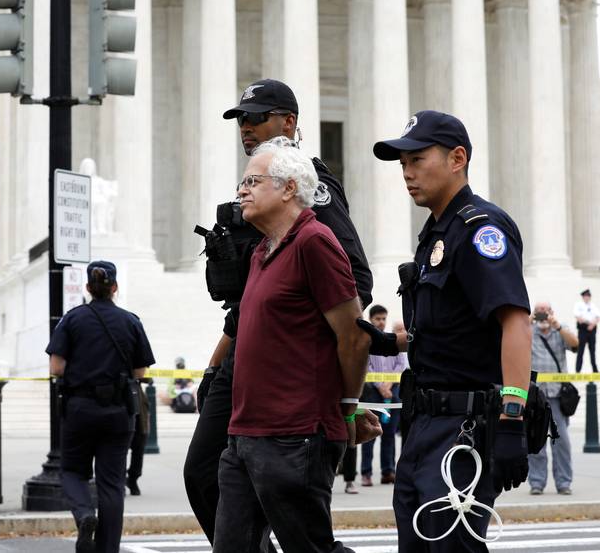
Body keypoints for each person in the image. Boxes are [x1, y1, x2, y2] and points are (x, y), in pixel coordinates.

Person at [183, 79, 374, 549]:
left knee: (292, 517)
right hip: (244, 359)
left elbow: (355, 285)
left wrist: (330, 385)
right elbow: (246, 305)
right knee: (205, 475)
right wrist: (214, 365)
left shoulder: (309, 193)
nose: (246, 128)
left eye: (257, 117)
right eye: (241, 120)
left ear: (288, 122)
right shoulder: (262, 213)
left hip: (284, 376)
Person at [366, 110, 532, 552]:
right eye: (402, 164)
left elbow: (514, 319)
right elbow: (450, 329)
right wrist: (387, 341)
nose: (407, 172)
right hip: (423, 422)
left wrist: (512, 417)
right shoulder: (435, 233)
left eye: (417, 159)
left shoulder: (480, 229)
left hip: (463, 426)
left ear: (457, 158)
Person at [47, 261, 155, 553]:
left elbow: (56, 367)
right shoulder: (131, 321)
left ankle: (84, 514)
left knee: (72, 472)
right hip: (119, 412)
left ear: (87, 288)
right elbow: (141, 371)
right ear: (115, 288)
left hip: (80, 408)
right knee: (112, 483)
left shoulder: (72, 319)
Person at [528, 302, 578, 496]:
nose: (542, 317)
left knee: (562, 441)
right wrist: (528, 321)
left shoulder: (560, 329)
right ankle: (537, 482)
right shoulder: (528, 330)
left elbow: (575, 344)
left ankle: (564, 482)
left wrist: (557, 325)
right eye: (538, 313)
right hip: (535, 395)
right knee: (535, 441)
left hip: (557, 395)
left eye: (545, 312)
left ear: (552, 313)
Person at [360, 304, 406, 487]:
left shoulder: (391, 340)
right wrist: (380, 386)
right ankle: (366, 473)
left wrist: (388, 385)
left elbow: (401, 364)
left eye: (383, 318)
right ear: (371, 320)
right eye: (377, 319)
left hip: (392, 393)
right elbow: (366, 366)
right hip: (372, 393)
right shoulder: (367, 342)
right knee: (369, 432)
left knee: (389, 433)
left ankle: (388, 471)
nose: (381, 322)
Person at [127, 376, 151, 496]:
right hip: (119, 401)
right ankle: (120, 480)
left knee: (139, 446)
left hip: (137, 400)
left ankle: (133, 479)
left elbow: (144, 372)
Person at [573, 289, 600, 373]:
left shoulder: (593, 306)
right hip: (583, 329)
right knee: (580, 350)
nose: (587, 298)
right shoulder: (579, 305)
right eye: (585, 296)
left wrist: (592, 325)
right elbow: (578, 317)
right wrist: (587, 323)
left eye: (588, 296)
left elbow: (598, 317)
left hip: (592, 329)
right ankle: (578, 369)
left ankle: (594, 369)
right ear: (583, 297)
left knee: (592, 350)